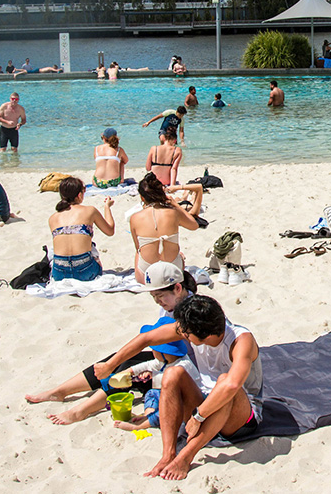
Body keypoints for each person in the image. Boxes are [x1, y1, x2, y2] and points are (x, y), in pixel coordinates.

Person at [92, 294, 262, 480]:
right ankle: (168, 455)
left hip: (241, 416)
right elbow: (146, 339)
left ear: (203, 333)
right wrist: (110, 365)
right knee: (173, 373)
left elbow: (232, 385)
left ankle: (185, 457)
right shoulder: (198, 327)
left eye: (185, 333)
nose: (181, 333)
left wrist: (198, 416)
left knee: (224, 381)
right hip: (205, 402)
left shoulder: (241, 341)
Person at [25, 262, 199, 421]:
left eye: (160, 296)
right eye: (154, 296)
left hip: (188, 369)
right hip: (172, 359)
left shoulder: (191, 312)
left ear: (177, 288)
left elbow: (148, 339)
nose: (157, 301)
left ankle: (81, 410)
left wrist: (112, 366)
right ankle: (60, 392)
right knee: (118, 358)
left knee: (124, 365)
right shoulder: (173, 303)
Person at [130, 172, 200, 281]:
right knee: (178, 254)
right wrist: (175, 205)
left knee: (139, 251)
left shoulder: (134, 218)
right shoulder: (173, 212)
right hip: (172, 269)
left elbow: (138, 247)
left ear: (142, 197)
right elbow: (194, 225)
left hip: (146, 274)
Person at [48, 177, 115, 281]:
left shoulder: (53, 218)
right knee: (91, 247)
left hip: (59, 272)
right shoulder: (89, 210)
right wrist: (107, 207)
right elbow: (110, 231)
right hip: (84, 270)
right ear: (79, 195)